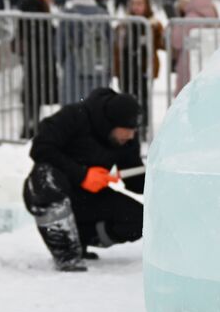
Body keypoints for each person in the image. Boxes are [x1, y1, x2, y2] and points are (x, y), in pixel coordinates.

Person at [22, 89, 146, 272]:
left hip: (87, 198)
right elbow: (40, 148)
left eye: (134, 130)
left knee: (137, 220)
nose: (131, 136)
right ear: (110, 123)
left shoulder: (125, 140)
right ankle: (65, 252)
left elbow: (134, 178)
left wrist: (160, 181)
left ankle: (80, 240)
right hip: (50, 188)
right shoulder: (74, 116)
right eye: (127, 129)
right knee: (46, 178)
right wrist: (83, 176)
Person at [115, 0, 166, 131]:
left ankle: (143, 127)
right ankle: (127, 126)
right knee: (125, 99)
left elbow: (162, 44)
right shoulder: (124, 23)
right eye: (133, 3)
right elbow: (117, 47)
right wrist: (117, 68)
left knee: (143, 99)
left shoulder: (153, 24)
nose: (136, 7)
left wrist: (163, 34)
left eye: (140, 3)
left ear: (146, 5)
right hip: (126, 68)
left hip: (144, 68)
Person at [57, 0, 113, 106]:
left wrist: (63, 62)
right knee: (97, 106)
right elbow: (110, 42)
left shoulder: (67, 14)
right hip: (99, 66)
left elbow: (60, 44)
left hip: (74, 68)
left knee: (74, 107)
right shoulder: (103, 13)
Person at [17, 0, 57, 136]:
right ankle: (29, 127)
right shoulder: (34, 9)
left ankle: (31, 125)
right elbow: (37, 32)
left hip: (37, 57)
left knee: (35, 91)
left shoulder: (35, 7)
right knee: (33, 91)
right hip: (36, 57)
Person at [170, 0, 219, 94]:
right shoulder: (212, 12)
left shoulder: (190, 19)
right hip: (208, 63)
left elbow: (176, 42)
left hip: (188, 64)